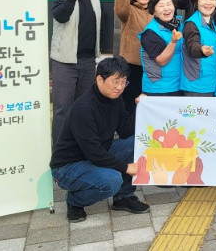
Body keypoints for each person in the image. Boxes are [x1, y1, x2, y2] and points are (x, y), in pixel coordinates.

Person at [50, 57, 150, 223]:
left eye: (123, 82)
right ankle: (75, 201)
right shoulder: (84, 109)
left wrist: (139, 107)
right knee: (112, 180)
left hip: (98, 152)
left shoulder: (115, 98)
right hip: (68, 166)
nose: (120, 87)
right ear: (99, 79)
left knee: (138, 142)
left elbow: (125, 131)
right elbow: (94, 153)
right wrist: (126, 167)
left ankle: (123, 197)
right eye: (115, 82)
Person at [50, 0, 102, 144]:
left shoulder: (95, 0)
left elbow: (99, 28)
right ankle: (59, 149)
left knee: (83, 107)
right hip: (65, 62)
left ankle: (79, 146)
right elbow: (61, 16)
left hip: (88, 62)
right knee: (62, 109)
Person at [114, 0, 153, 115]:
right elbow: (120, 8)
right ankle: (127, 129)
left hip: (150, 66)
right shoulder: (129, 11)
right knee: (129, 103)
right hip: (131, 65)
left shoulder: (155, 12)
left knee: (146, 104)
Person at [138, 0, 183, 97]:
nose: (166, 9)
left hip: (179, 85)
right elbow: (161, 60)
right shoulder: (150, 33)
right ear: (154, 11)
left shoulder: (180, 25)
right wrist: (173, 41)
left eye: (169, 4)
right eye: (161, 6)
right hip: (159, 89)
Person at [181, 0, 216, 96]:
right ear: (196, 2)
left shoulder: (211, 22)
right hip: (196, 85)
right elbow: (192, 45)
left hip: (210, 82)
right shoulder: (191, 24)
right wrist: (202, 49)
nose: (208, 3)